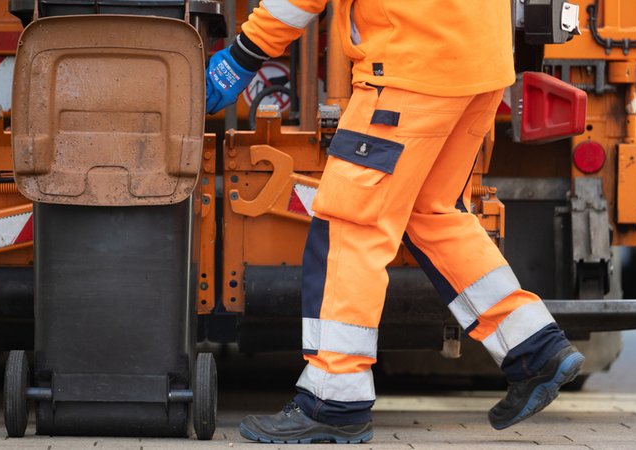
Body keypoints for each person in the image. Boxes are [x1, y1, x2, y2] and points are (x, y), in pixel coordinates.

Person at [206, 0, 585, 444]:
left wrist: (244, 55)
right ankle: (534, 348)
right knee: (433, 212)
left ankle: (332, 401)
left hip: (410, 71)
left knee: (349, 226)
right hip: (480, 68)